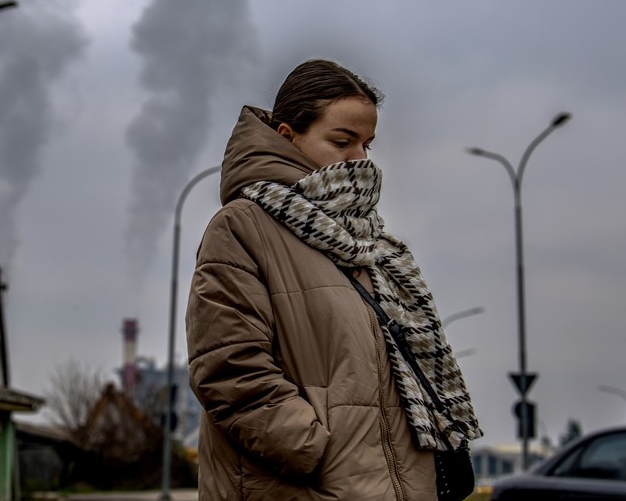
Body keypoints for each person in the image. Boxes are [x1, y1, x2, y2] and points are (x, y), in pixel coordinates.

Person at [185, 59, 482, 500]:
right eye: (343, 141)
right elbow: (229, 367)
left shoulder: (367, 243)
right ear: (288, 137)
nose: (359, 159)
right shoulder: (241, 227)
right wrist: (316, 451)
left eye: (367, 144)